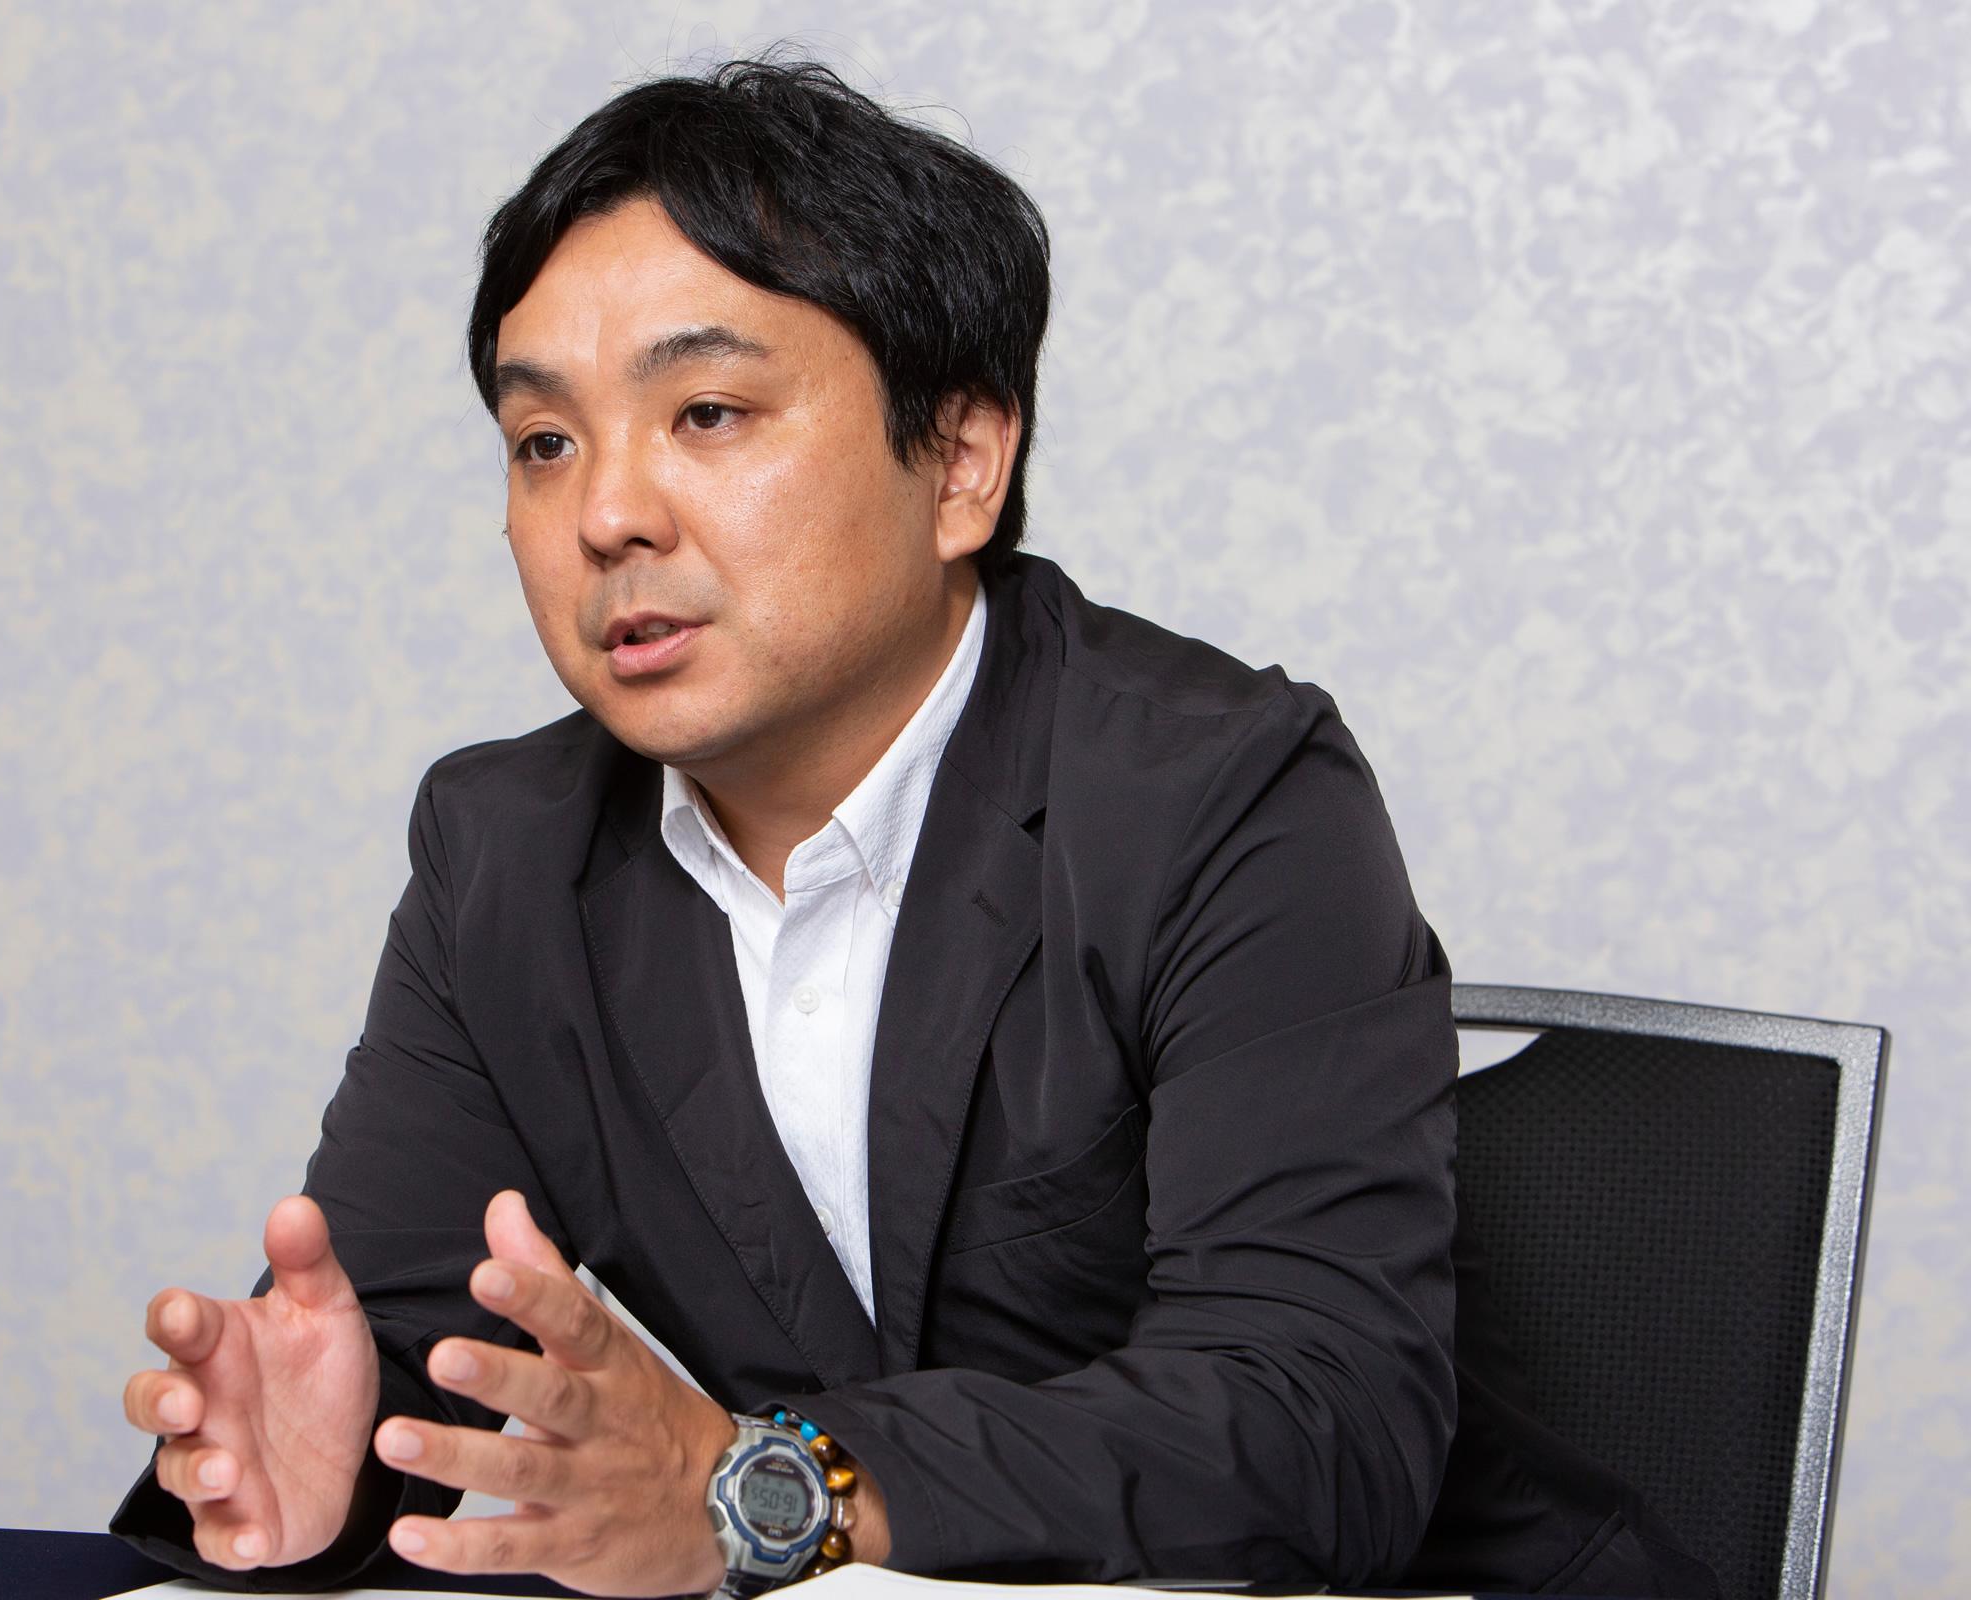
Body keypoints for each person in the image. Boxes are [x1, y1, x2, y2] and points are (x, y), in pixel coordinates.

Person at [111, 57, 1715, 1599]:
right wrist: (322, 1476)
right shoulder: (503, 854)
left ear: (959, 463)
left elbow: (1315, 1421)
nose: (606, 514)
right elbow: (399, 1347)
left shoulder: (1223, 792)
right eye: (545, 443)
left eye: (708, 412)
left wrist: (758, 1485)